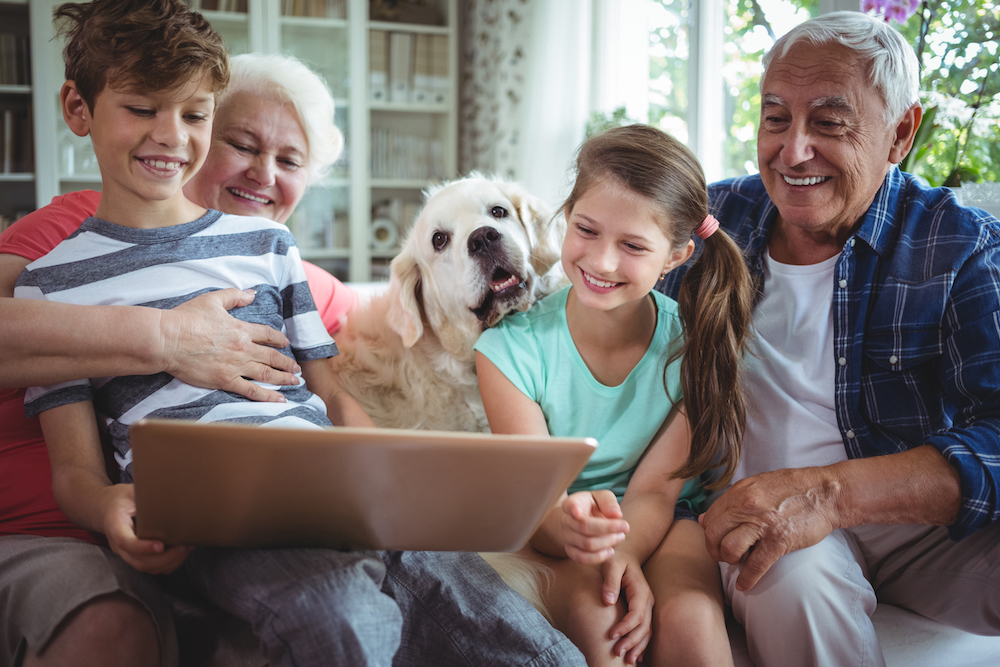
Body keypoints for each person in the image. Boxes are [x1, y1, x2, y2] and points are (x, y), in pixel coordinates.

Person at [1, 4, 586, 667]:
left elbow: (331, 392)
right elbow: (74, 467)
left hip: (336, 494)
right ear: (79, 111)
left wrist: (391, 482)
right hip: (219, 518)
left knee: (535, 650)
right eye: (142, 108)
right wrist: (108, 501)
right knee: (345, 619)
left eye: (192, 115)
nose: (170, 135)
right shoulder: (51, 276)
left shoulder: (270, 246)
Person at [657, 11, 1000, 666]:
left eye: (830, 123)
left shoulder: (959, 245)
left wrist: (830, 492)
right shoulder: (710, 223)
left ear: (901, 132)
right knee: (789, 576)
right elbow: (602, 325)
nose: (793, 152)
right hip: (762, 517)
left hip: (912, 522)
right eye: (777, 117)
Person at [475, 124, 754, 666]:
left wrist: (625, 551)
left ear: (675, 256)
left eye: (632, 246)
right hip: (559, 527)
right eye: (586, 230)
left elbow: (655, 494)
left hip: (669, 523)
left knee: (693, 628)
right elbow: (537, 503)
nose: (602, 262)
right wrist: (582, 535)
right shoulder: (507, 354)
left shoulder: (697, 349)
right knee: (607, 632)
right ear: (566, 217)